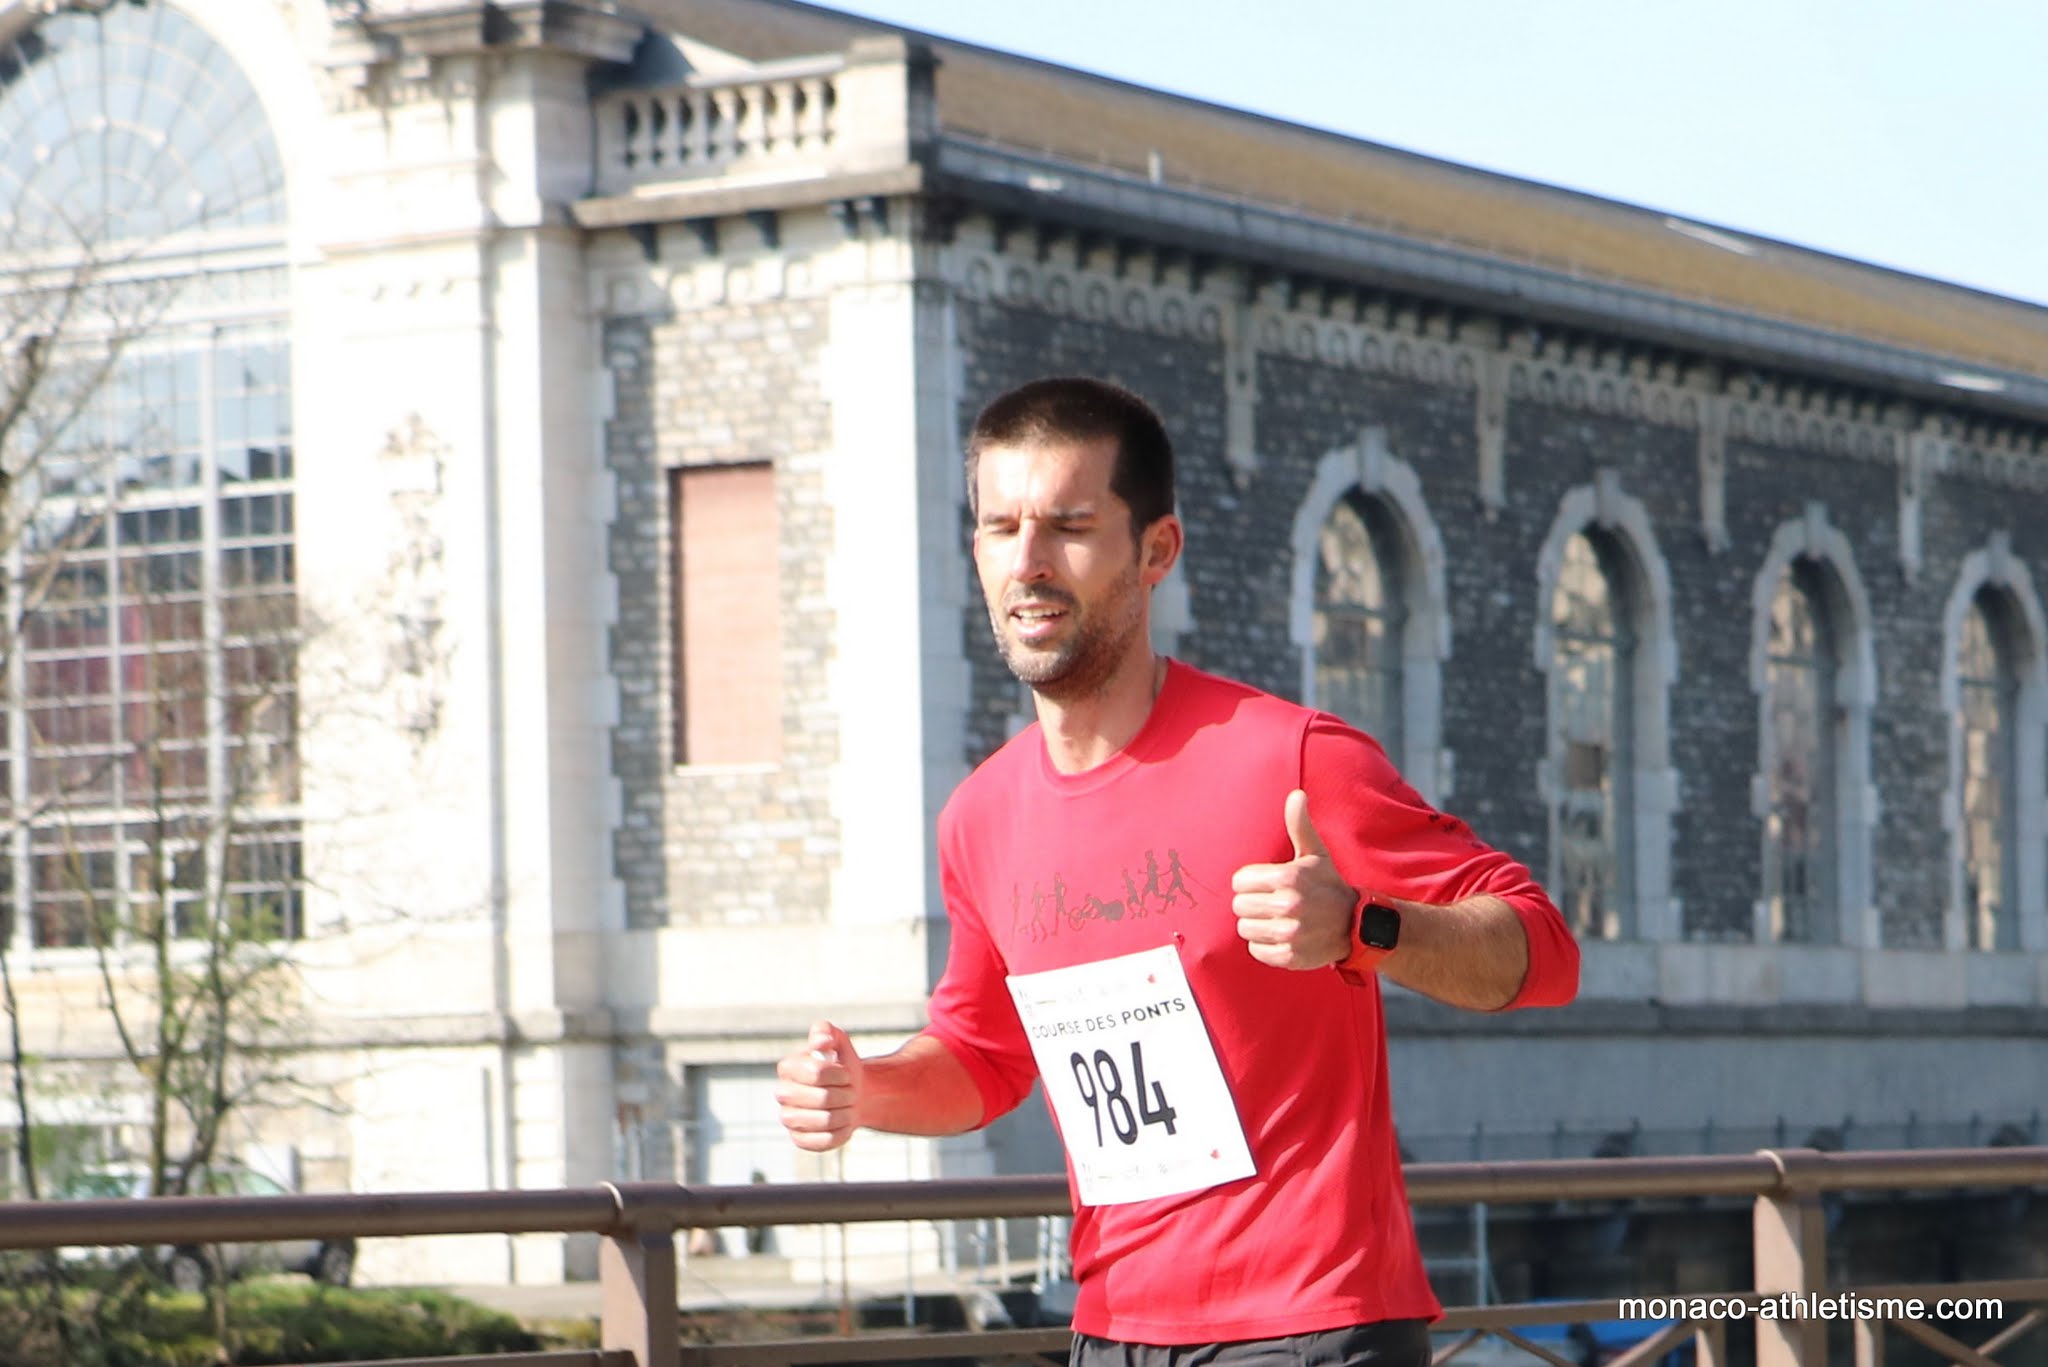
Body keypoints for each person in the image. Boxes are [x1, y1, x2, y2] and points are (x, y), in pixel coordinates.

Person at [776, 377, 1580, 1367]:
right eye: (999, 527)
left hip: (1310, 1327)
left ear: (1156, 550)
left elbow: (1545, 952)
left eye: (1069, 526)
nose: (1027, 562)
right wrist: (867, 1089)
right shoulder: (977, 816)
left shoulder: (1291, 757)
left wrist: (1365, 926)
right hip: (1112, 1329)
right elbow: (983, 1056)